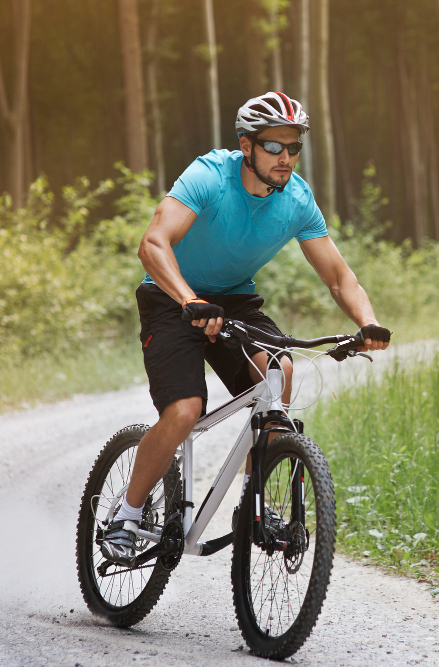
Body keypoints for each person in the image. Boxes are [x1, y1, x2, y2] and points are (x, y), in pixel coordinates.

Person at [100, 92, 391, 566]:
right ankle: (127, 516)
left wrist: (368, 322)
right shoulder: (210, 177)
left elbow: (339, 277)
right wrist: (189, 299)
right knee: (184, 411)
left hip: (234, 300)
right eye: (274, 147)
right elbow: (153, 244)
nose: (285, 158)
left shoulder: (296, 199)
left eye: (293, 148)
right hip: (171, 296)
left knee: (279, 371)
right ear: (247, 146)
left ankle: (253, 507)